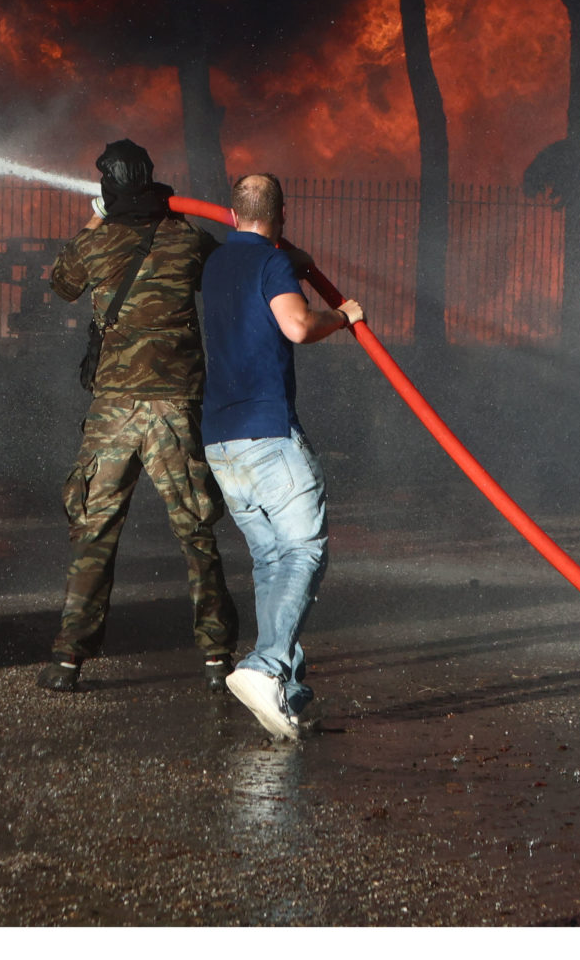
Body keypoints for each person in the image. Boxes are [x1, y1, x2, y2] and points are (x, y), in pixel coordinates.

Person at [36, 139, 239, 692]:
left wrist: (95, 226)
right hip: (175, 407)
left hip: (114, 414)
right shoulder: (189, 239)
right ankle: (219, 657)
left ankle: (68, 658)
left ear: (106, 188)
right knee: (196, 531)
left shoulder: (94, 245)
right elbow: (221, 272)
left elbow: (61, 283)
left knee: (94, 529)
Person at [199, 172, 362, 741]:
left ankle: (285, 685)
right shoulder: (270, 266)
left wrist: (290, 259)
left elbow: (259, 269)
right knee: (305, 550)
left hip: (219, 440)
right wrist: (343, 316)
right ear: (282, 213)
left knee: (271, 558)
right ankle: (265, 666)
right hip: (267, 432)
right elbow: (296, 325)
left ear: (233, 212)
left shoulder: (217, 263)